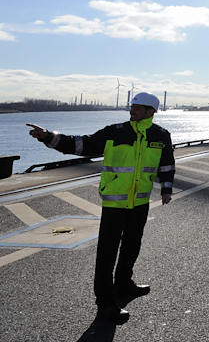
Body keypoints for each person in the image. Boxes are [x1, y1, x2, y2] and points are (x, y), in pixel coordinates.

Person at [27, 92, 175, 325]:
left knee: (132, 245)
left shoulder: (161, 135)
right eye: (132, 106)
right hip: (114, 203)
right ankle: (105, 303)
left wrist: (167, 187)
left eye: (137, 108)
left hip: (140, 202)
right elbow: (81, 144)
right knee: (107, 253)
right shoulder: (115, 132)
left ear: (150, 111)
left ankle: (124, 284)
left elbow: (167, 162)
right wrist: (48, 137)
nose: (131, 110)